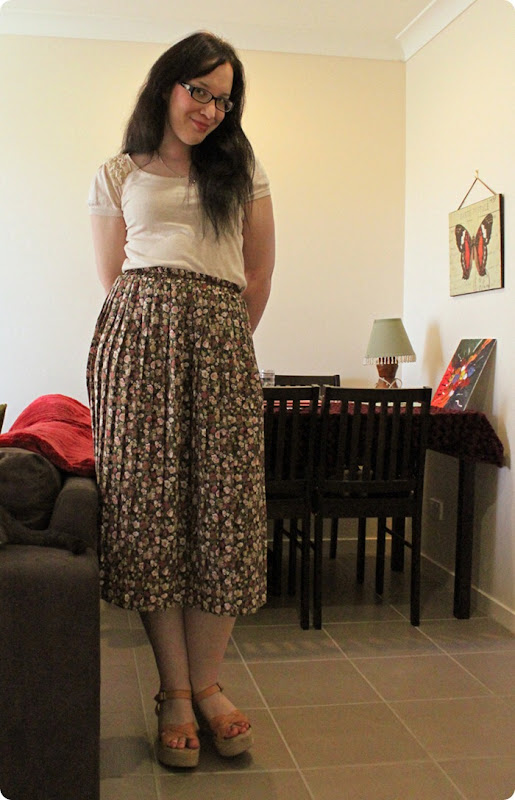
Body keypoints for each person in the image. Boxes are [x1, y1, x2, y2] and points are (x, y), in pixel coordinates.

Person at [87, 31, 275, 769]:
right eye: (198, 90)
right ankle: (174, 690)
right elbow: (113, 276)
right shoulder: (116, 171)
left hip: (222, 345)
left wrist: (216, 340)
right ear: (166, 85)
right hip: (137, 349)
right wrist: (159, 333)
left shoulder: (242, 171)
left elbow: (257, 275)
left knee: (226, 515)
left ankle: (208, 684)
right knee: (149, 514)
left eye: (223, 99)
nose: (208, 109)